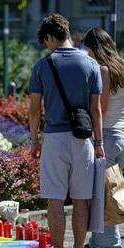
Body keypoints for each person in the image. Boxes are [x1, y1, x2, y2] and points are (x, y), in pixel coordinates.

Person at [29, 14, 104, 248]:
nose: (47, 46)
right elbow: (96, 109)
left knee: (55, 201)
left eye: (46, 41)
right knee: (81, 201)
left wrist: (34, 141)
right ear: (68, 34)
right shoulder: (91, 64)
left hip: (53, 139)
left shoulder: (42, 66)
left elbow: (34, 110)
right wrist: (99, 143)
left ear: (50, 37)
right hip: (84, 139)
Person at [84, 27, 124, 248]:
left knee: (103, 198)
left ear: (94, 48)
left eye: (88, 49)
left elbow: (100, 108)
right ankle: (103, 242)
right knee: (118, 195)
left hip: (107, 138)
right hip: (122, 137)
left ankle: (107, 244)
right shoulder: (123, 67)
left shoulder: (104, 70)